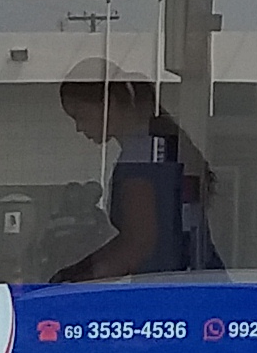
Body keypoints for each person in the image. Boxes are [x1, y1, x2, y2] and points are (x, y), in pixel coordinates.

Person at [49, 68, 222, 281]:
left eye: (81, 116)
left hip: (169, 289)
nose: (78, 127)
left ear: (110, 102)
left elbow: (137, 244)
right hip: (200, 281)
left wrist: (73, 279)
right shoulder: (166, 143)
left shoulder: (141, 158)